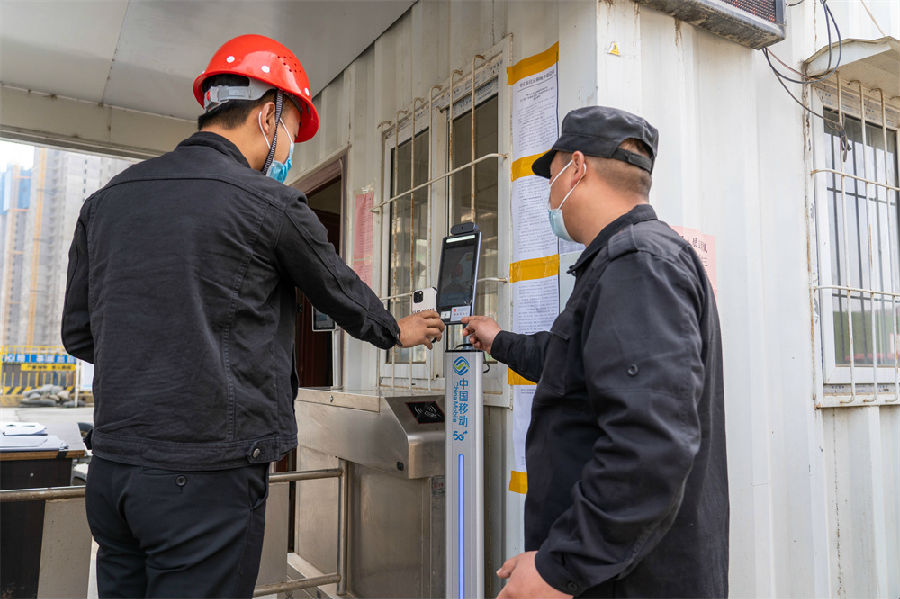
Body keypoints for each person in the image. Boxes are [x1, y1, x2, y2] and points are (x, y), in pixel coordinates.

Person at [61, 34, 444, 598]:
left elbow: (78, 334)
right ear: (267, 114)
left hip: (113, 473)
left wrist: (153, 352)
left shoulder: (106, 202)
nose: (287, 149)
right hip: (206, 479)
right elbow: (336, 286)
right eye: (290, 130)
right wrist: (396, 330)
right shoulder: (269, 203)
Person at [462, 106, 727, 598]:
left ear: (577, 168)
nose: (550, 194)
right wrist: (499, 341)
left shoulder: (638, 263)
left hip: (629, 582)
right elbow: (572, 366)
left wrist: (560, 566)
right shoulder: (629, 260)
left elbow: (649, 446)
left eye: (552, 176)